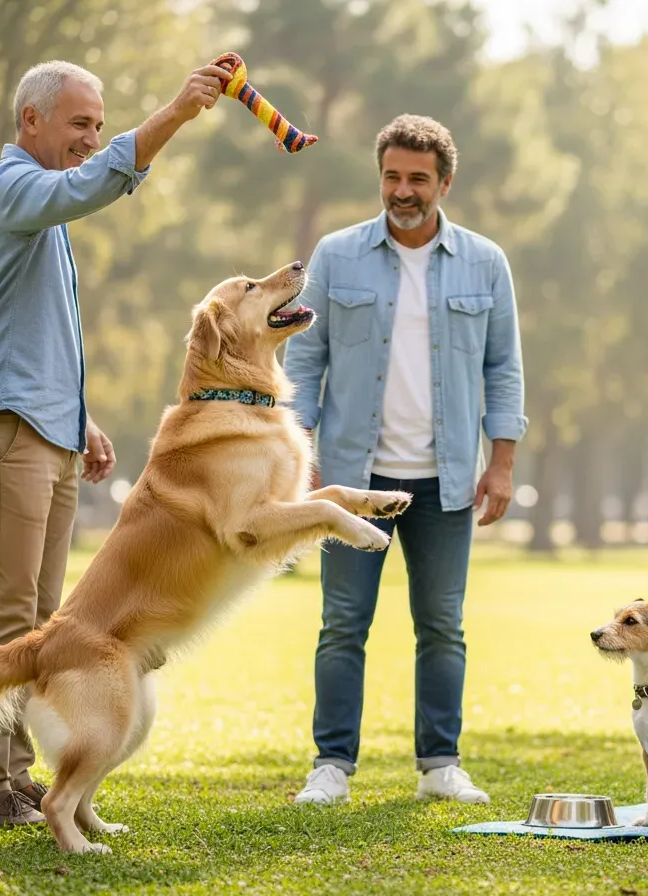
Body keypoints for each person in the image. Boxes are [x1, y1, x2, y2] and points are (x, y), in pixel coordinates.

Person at [0, 58, 230, 826]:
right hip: (6, 431)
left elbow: (30, 335)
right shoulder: (8, 189)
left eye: (99, 126)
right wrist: (172, 114)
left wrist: (80, 418)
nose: (91, 139)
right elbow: (88, 186)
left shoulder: (39, 211)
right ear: (28, 121)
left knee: (42, 625)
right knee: (7, 616)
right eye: (80, 124)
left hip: (44, 428)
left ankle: (16, 776)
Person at [283, 114, 527, 806]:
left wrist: (501, 461)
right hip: (351, 481)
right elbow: (305, 360)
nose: (403, 190)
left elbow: (504, 368)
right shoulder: (336, 255)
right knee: (342, 624)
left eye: (418, 178)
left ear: (444, 182)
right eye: (392, 176)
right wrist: (298, 458)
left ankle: (439, 765)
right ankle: (331, 766)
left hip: (446, 480)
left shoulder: (485, 262)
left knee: (443, 626)